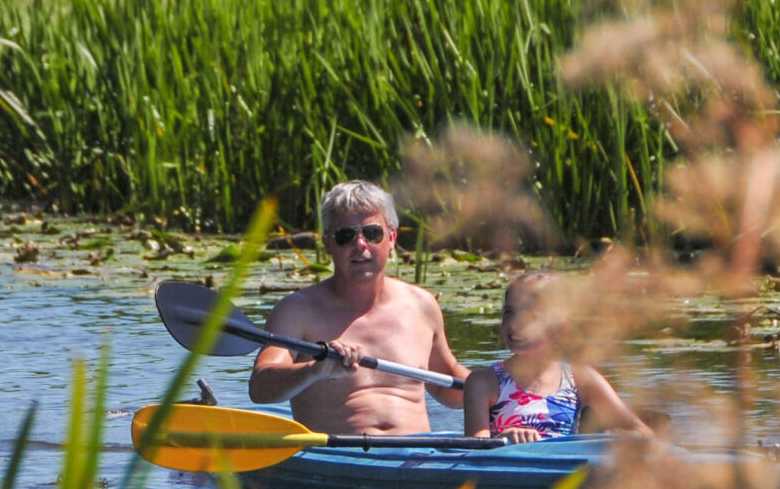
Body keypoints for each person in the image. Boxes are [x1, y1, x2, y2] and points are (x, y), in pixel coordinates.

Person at [250, 181, 465, 436]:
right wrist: (314, 370)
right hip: (337, 462)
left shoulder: (421, 305)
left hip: (417, 460)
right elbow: (259, 388)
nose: (360, 244)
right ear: (328, 244)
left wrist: (501, 384)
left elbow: (447, 384)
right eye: (346, 236)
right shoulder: (296, 312)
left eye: (372, 233)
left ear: (392, 238)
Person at [463, 272, 648, 442]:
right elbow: (474, 448)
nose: (514, 324)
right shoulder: (483, 382)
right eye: (509, 312)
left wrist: (616, 438)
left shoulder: (580, 379)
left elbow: (643, 432)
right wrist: (502, 439)